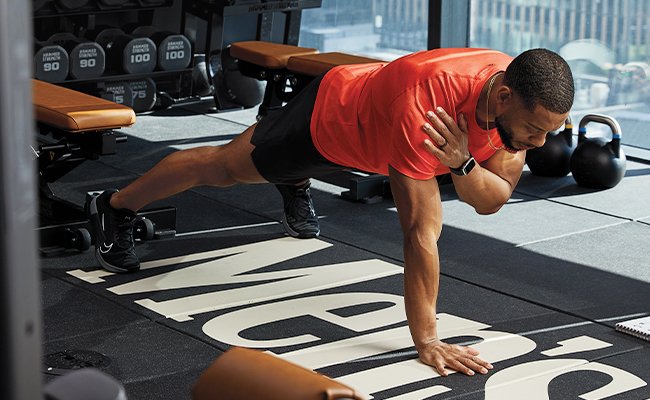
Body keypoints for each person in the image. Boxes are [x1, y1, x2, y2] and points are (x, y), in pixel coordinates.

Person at [86, 47, 574, 377]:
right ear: (504, 97)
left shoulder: (521, 101)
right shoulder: (431, 105)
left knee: (460, 173)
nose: (540, 141)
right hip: (332, 122)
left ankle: (293, 181)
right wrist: (427, 340)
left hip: (384, 134)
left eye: (550, 130)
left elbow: (491, 199)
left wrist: (463, 161)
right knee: (223, 168)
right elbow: (420, 231)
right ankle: (113, 205)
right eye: (535, 129)